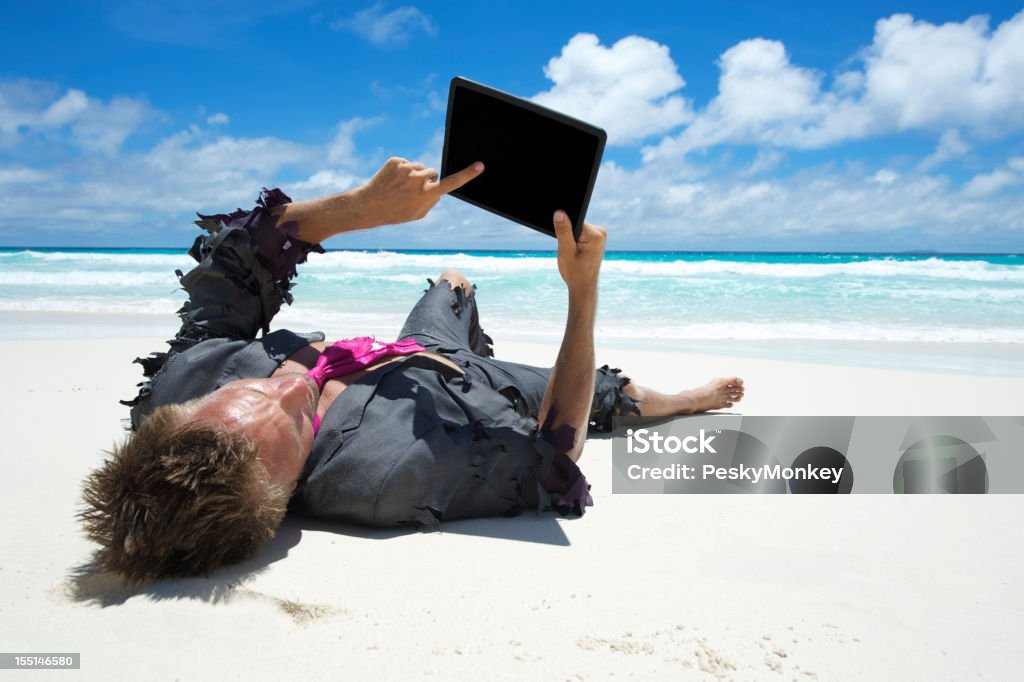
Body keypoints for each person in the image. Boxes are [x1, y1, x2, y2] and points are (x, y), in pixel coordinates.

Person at [80, 157, 744, 584]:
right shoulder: (384, 477)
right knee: (606, 394)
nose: (288, 381)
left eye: (250, 385)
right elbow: (556, 460)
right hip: (461, 389)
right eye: (291, 415)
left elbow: (234, 255)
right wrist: (581, 292)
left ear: (181, 413)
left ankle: (470, 339)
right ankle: (681, 400)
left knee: (454, 277)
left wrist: (360, 210)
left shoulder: (177, 385)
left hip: (403, 350)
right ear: (281, 499)